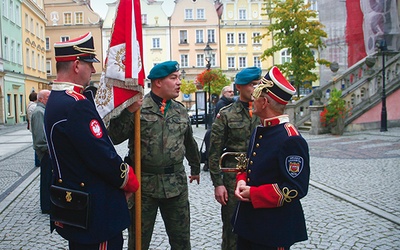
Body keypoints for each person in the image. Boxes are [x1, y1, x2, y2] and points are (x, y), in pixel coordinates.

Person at [44, 32, 139, 249]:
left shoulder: (56, 100)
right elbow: (101, 156)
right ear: (77, 65)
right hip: (95, 212)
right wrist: (127, 179)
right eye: (89, 64)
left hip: (73, 205)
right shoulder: (76, 104)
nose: (94, 70)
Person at [107, 60, 201, 250]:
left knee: (181, 241)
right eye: (173, 78)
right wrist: (128, 112)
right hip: (144, 186)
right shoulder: (138, 106)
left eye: (179, 78)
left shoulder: (180, 110)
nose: (179, 82)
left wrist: (196, 167)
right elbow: (114, 137)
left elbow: (189, 142)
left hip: (176, 185)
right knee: (139, 242)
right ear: (158, 82)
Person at [232, 66, 310, 249]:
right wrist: (241, 180)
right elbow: (248, 164)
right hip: (249, 224)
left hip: (273, 229)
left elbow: (295, 187)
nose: (252, 99)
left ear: (265, 102)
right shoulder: (261, 129)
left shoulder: (290, 139)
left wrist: (254, 194)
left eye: (256, 96)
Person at [208, 67, 261, 250]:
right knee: (233, 227)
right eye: (252, 85)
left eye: (258, 83)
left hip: (261, 176)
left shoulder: (265, 111)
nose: (256, 88)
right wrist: (218, 183)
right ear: (239, 87)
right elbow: (213, 152)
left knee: (260, 228)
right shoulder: (226, 114)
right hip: (233, 178)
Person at [202, 86, 235, 172]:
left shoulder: (231, 102)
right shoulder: (222, 104)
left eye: (232, 91)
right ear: (224, 93)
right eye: (229, 92)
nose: (232, 93)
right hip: (219, 131)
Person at [31, 89, 51, 214]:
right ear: (41, 99)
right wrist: (48, 149)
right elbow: (40, 137)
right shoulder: (39, 112)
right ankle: (46, 206)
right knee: (46, 179)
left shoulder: (42, 110)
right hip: (45, 152)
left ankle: (48, 204)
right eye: (48, 97)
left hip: (46, 151)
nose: (50, 99)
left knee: (48, 178)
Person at [27, 91, 40, 167]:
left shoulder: (30, 105)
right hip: (35, 127)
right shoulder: (34, 107)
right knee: (37, 145)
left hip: (33, 127)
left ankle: (37, 161)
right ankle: (37, 161)